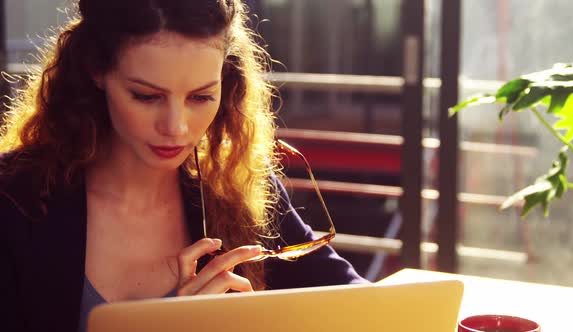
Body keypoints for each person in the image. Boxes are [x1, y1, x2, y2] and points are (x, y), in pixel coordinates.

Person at [0, 0, 367, 331]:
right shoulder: (13, 198)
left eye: (201, 96)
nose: (176, 128)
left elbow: (360, 303)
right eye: (146, 96)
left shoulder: (235, 185)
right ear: (95, 70)